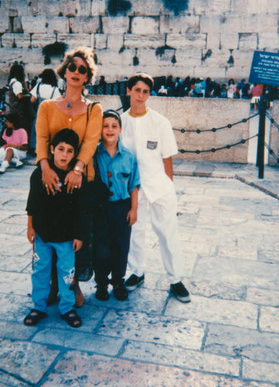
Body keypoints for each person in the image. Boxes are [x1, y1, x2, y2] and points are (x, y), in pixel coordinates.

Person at [36, 46, 103, 307]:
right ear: (64, 72)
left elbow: (90, 142)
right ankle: (53, 284)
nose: (76, 72)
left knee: (75, 235)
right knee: (49, 232)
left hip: (81, 181)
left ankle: (71, 284)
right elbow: (41, 139)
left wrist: (77, 170)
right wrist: (45, 167)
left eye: (82, 69)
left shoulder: (93, 109)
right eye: (72, 67)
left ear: (88, 76)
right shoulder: (46, 107)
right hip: (49, 178)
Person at [120, 73, 190, 303]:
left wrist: (169, 187)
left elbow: (167, 157)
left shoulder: (160, 121)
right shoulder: (120, 122)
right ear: (128, 91)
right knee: (135, 232)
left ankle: (175, 278)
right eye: (137, 90)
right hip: (133, 189)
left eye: (146, 92)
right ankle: (136, 272)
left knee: (167, 232)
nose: (141, 96)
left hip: (159, 186)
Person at [24, 129, 86, 328]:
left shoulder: (75, 178)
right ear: (52, 150)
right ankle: (38, 307)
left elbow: (79, 209)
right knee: (40, 270)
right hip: (42, 234)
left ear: (74, 155)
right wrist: (30, 227)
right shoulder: (40, 174)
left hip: (67, 237)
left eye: (69, 151)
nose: (64, 155)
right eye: (60, 149)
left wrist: (79, 235)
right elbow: (32, 202)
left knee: (67, 272)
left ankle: (67, 307)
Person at [93, 110, 140, 302]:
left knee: (121, 246)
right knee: (101, 246)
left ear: (120, 129)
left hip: (122, 207)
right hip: (100, 208)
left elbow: (134, 184)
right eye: (105, 126)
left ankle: (118, 281)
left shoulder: (128, 156)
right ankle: (102, 282)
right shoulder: (94, 154)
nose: (110, 130)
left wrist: (133, 209)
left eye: (114, 126)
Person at [29, 68, 61, 153]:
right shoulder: (55, 89)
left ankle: (35, 148)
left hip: (39, 113)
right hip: (49, 114)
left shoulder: (38, 86)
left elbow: (32, 100)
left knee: (36, 131)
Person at [7, 63, 33, 135]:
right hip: (19, 112)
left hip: (14, 110)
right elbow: (20, 96)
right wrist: (28, 96)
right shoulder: (17, 83)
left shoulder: (11, 82)